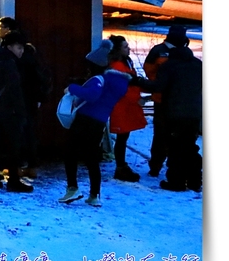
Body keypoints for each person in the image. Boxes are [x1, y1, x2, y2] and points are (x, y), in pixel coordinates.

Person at [59, 39, 130, 207]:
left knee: (70, 153)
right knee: (91, 158)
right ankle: (94, 195)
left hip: (85, 120)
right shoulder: (115, 82)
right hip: (99, 122)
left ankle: (72, 188)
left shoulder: (98, 79)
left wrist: (73, 88)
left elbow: (92, 95)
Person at [132, 35, 202, 192]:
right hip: (195, 113)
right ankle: (195, 180)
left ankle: (176, 182)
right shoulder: (198, 65)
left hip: (175, 114)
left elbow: (158, 86)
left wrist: (138, 81)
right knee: (190, 146)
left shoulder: (169, 66)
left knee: (176, 148)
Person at [0, 33, 33, 193]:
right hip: (10, 110)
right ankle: (13, 180)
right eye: (19, 47)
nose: (21, 51)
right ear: (10, 47)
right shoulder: (9, 63)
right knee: (14, 146)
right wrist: (21, 112)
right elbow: (14, 91)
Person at [0, 18, 49, 178]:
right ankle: (30, 165)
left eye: (3, 27)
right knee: (29, 132)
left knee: (20, 132)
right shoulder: (29, 50)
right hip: (31, 97)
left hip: (24, 97)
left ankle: (19, 166)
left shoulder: (19, 54)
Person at [143, 25, 187, 177]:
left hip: (177, 99)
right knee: (161, 134)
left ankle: (171, 164)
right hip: (161, 99)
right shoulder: (158, 50)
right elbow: (148, 69)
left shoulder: (182, 52)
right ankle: (156, 165)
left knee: (175, 134)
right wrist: (161, 82)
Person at [107, 35, 146, 183]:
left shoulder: (125, 63)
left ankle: (122, 166)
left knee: (124, 137)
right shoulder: (117, 66)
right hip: (122, 105)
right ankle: (120, 167)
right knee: (122, 137)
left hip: (127, 104)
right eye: (125, 47)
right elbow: (122, 88)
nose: (128, 49)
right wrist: (138, 98)